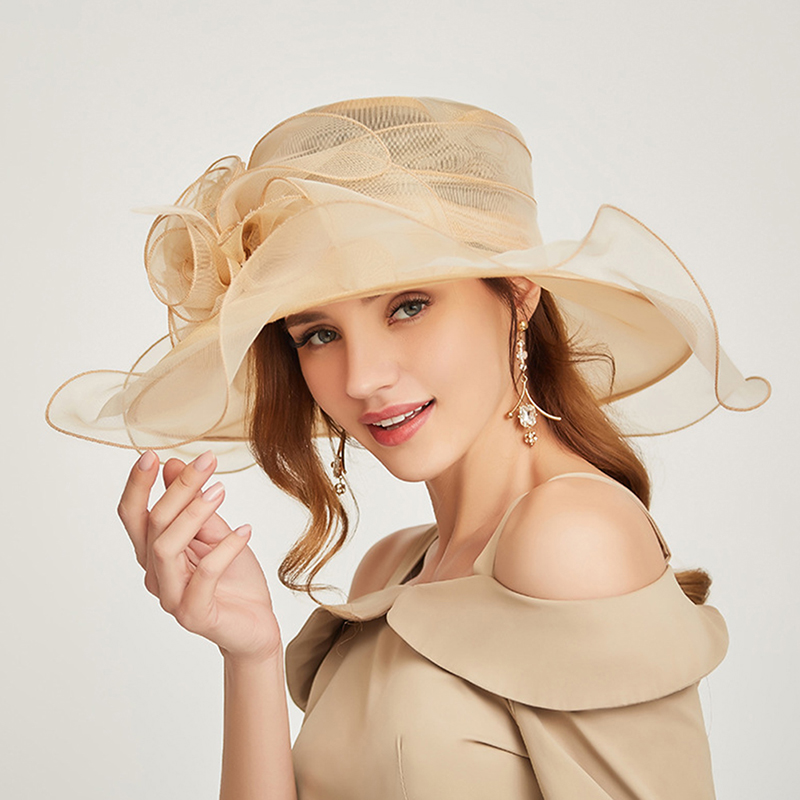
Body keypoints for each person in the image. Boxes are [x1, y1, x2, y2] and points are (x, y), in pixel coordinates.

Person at [47, 96, 770, 799]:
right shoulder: (392, 566)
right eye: (318, 334)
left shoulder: (571, 534)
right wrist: (250, 653)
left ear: (518, 295)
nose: (361, 378)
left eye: (409, 306)